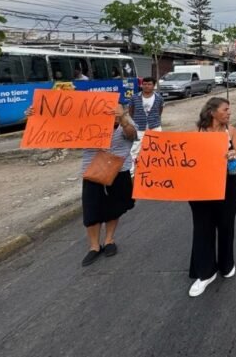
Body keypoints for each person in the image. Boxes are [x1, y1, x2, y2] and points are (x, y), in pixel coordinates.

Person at [26, 104, 138, 266]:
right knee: (92, 207)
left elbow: (132, 135)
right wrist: (36, 116)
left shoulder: (125, 122)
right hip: (92, 170)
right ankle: (94, 246)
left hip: (119, 170)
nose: (111, 111)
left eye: (115, 108)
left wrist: (122, 119)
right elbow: (60, 129)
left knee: (115, 206)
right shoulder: (87, 122)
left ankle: (109, 240)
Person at [187, 97, 236, 297]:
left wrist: (235, 156)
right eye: (225, 109)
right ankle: (205, 273)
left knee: (226, 225)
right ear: (212, 112)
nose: (229, 112)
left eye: (229, 109)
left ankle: (227, 263)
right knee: (203, 228)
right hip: (200, 188)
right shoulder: (197, 133)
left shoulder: (233, 131)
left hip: (227, 186)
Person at [128, 77, 163, 176]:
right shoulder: (135, 97)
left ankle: (154, 170)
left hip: (155, 127)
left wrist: (154, 121)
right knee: (134, 149)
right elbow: (131, 111)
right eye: (145, 84)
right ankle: (132, 172)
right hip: (139, 128)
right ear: (141, 85)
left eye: (149, 84)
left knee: (157, 149)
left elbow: (159, 111)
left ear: (153, 85)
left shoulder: (159, 98)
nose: (146, 86)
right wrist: (137, 121)